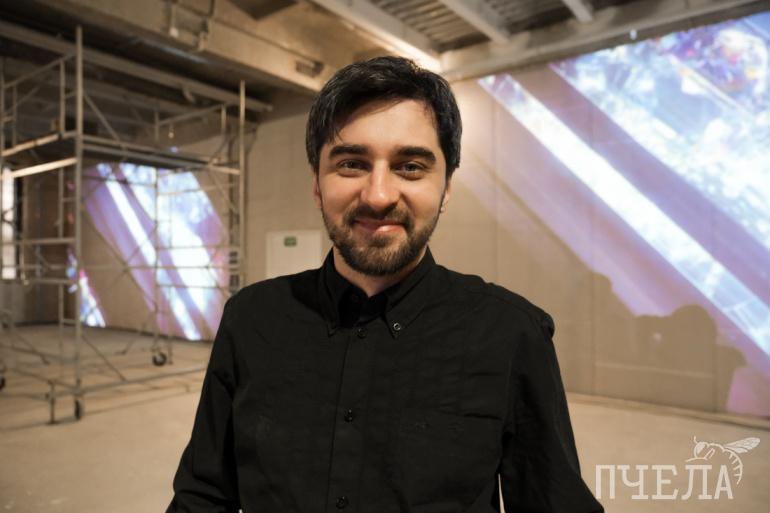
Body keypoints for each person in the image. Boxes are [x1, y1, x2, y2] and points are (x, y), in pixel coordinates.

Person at [167, 56, 603, 513]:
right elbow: (202, 497)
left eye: (410, 166)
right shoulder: (251, 319)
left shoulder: (511, 335)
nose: (378, 195)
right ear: (316, 185)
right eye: (351, 164)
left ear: (445, 189)